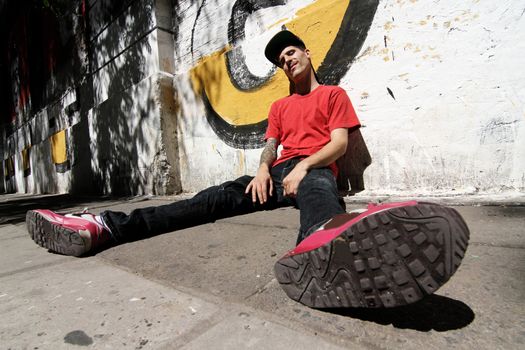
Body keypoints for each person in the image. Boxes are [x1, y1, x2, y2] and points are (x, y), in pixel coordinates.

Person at [26, 30, 470, 308]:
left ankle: (319, 251)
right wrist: (263, 171)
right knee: (206, 201)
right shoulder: (278, 105)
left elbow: (338, 144)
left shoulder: (333, 95)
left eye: (291, 52)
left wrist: (305, 167)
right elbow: (270, 146)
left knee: (319, 192)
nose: (286, 61)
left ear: (308, 53)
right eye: (280, 60)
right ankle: (104, 227)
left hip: (314, 169)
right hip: (274, 175)